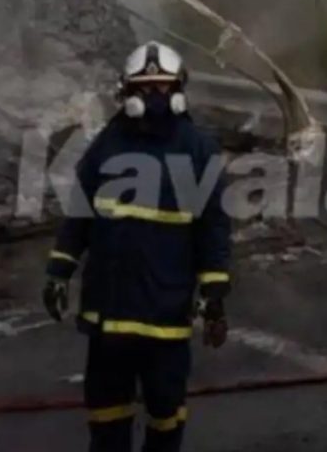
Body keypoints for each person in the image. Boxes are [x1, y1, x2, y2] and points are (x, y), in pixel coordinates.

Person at [42, 41, 231, 452]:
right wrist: (59, 270)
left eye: (163, 87)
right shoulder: (106, 146)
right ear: (126, 93)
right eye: (144, 88)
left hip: (165, 312)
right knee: (106, 410)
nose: (154, 97)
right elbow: (79, 216)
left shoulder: (198, 150)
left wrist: (215, 294)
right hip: (109, 312)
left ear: (179, 90)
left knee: (166, 411)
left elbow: (213, 227)